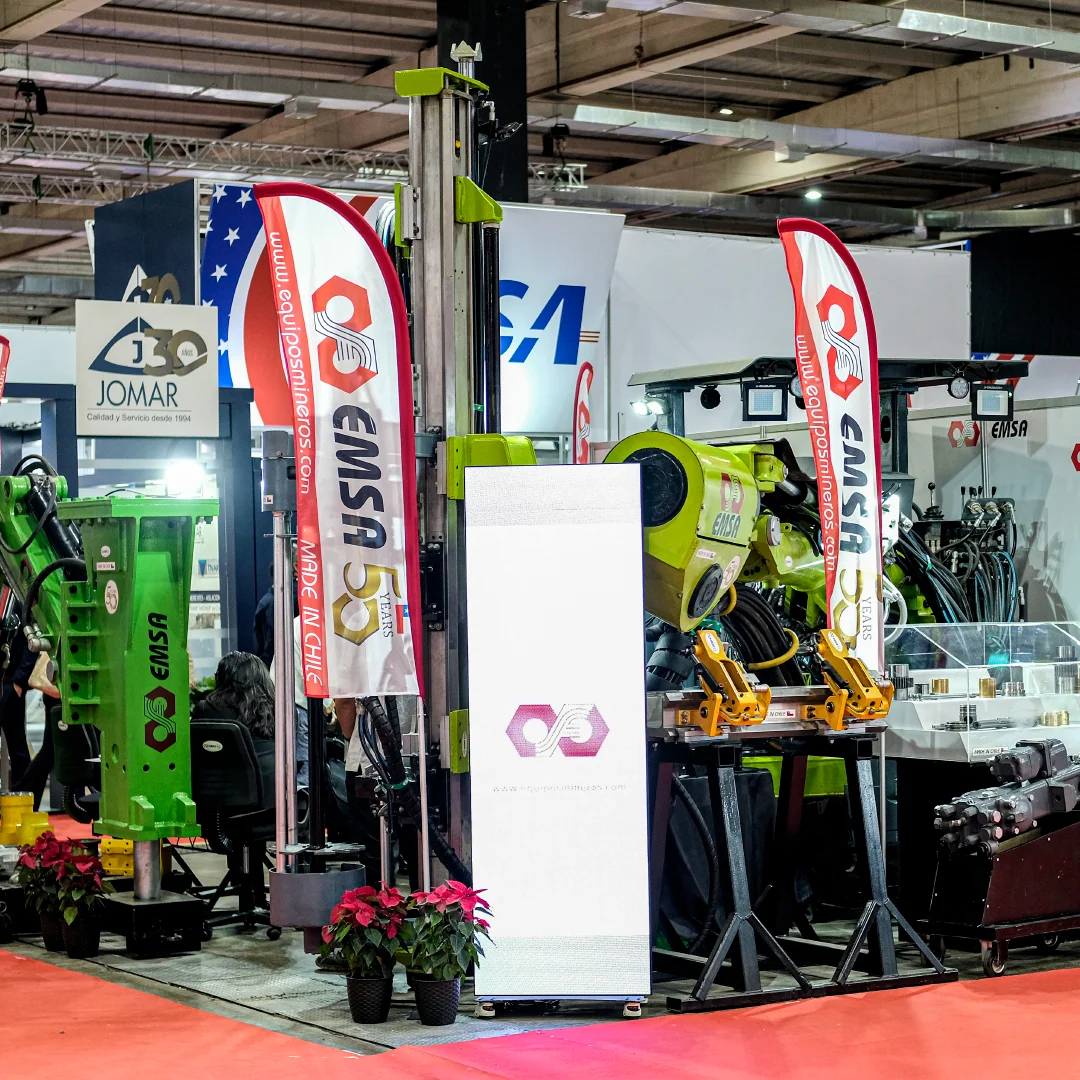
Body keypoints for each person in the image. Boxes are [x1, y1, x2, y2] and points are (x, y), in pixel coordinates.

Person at [192, 651, 276, 804]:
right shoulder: (280, 712)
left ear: (222, 679)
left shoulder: (206, 709)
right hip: (271, 798)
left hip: (217, 797)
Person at [0, 605, 35, 784]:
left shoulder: (17, 600)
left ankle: (22, 795)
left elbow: (32, 642)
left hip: (9, 682)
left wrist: (19, 681)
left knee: (18, 749)